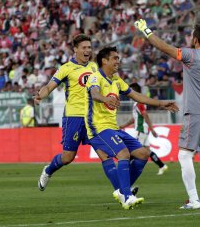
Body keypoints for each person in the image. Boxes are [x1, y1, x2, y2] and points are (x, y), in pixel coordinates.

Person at [135, 19, 200, 209]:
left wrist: (145, 30)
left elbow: (163, 47)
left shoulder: (190, 55)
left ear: (195, 39)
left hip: (196, 112)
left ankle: (194, 200)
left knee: (184, 156)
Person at [85, 46, 178, 209]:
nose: (117, 61)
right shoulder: (95, 77)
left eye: (118, 58)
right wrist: (105, 99)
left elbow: (137, 96)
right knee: (124, 154)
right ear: (104, 60)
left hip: (113, 128)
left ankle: (122, 190)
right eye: (114, 58)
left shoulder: (116, 80)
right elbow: (94, 94)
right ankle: (127, 197)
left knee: (143, 153)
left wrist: (161, 103)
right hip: (97, 128)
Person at [35, 34, 120, 193]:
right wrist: (41, 95)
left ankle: (123, 192)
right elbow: (49, 86)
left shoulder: (95, 67)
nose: (88, 50)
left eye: (89, 47)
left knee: (105, 154)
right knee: (67, 157)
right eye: (84, 47)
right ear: (75, 50)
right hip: (73, 118)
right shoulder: (66, 68)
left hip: (93, 119)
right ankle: (48, 170)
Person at [119, 83, 169, 175]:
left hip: (140, 130)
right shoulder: (136, 103)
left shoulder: (139, 102)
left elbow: (145, 115)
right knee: (147, 151)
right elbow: (135, 118)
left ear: (134, 91)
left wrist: (152, 129)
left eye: (130, 90)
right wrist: (124, 125)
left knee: (133, 150)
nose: (128, 92)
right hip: (143, 130)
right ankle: (162, 166)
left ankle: (126, 171)